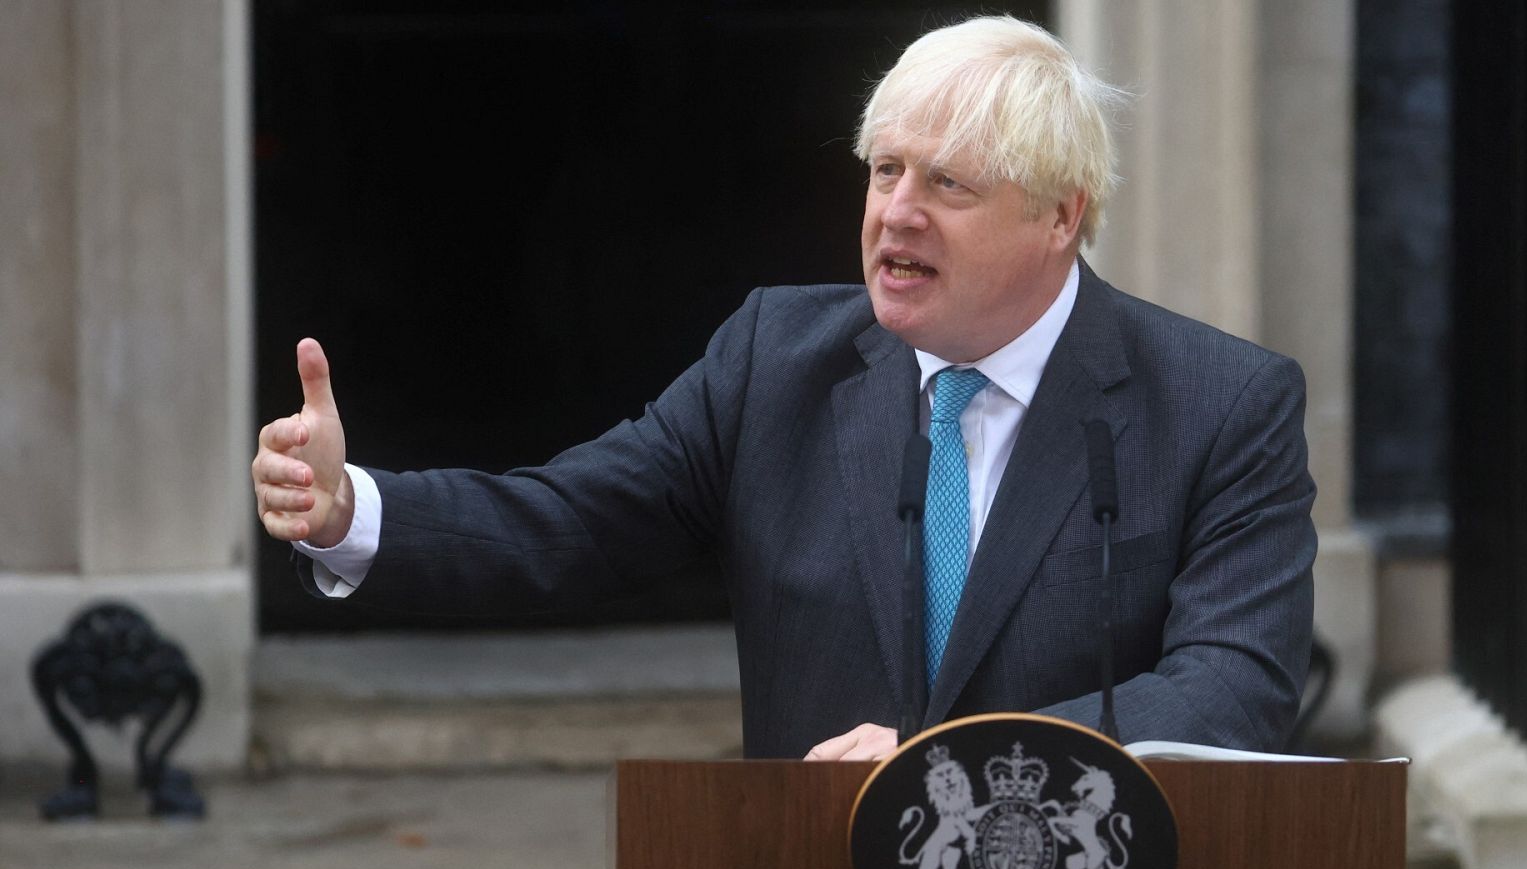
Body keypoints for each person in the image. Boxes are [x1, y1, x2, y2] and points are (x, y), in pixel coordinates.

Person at [252, 16, 1315, 761]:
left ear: (1060, 215)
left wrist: (946, 761)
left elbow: (1232, 688)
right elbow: (573, 521)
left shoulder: (1221, 406)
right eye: (885, 169)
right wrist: (351, 512)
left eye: (948, 183)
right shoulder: (776, 362)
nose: (896, 213)